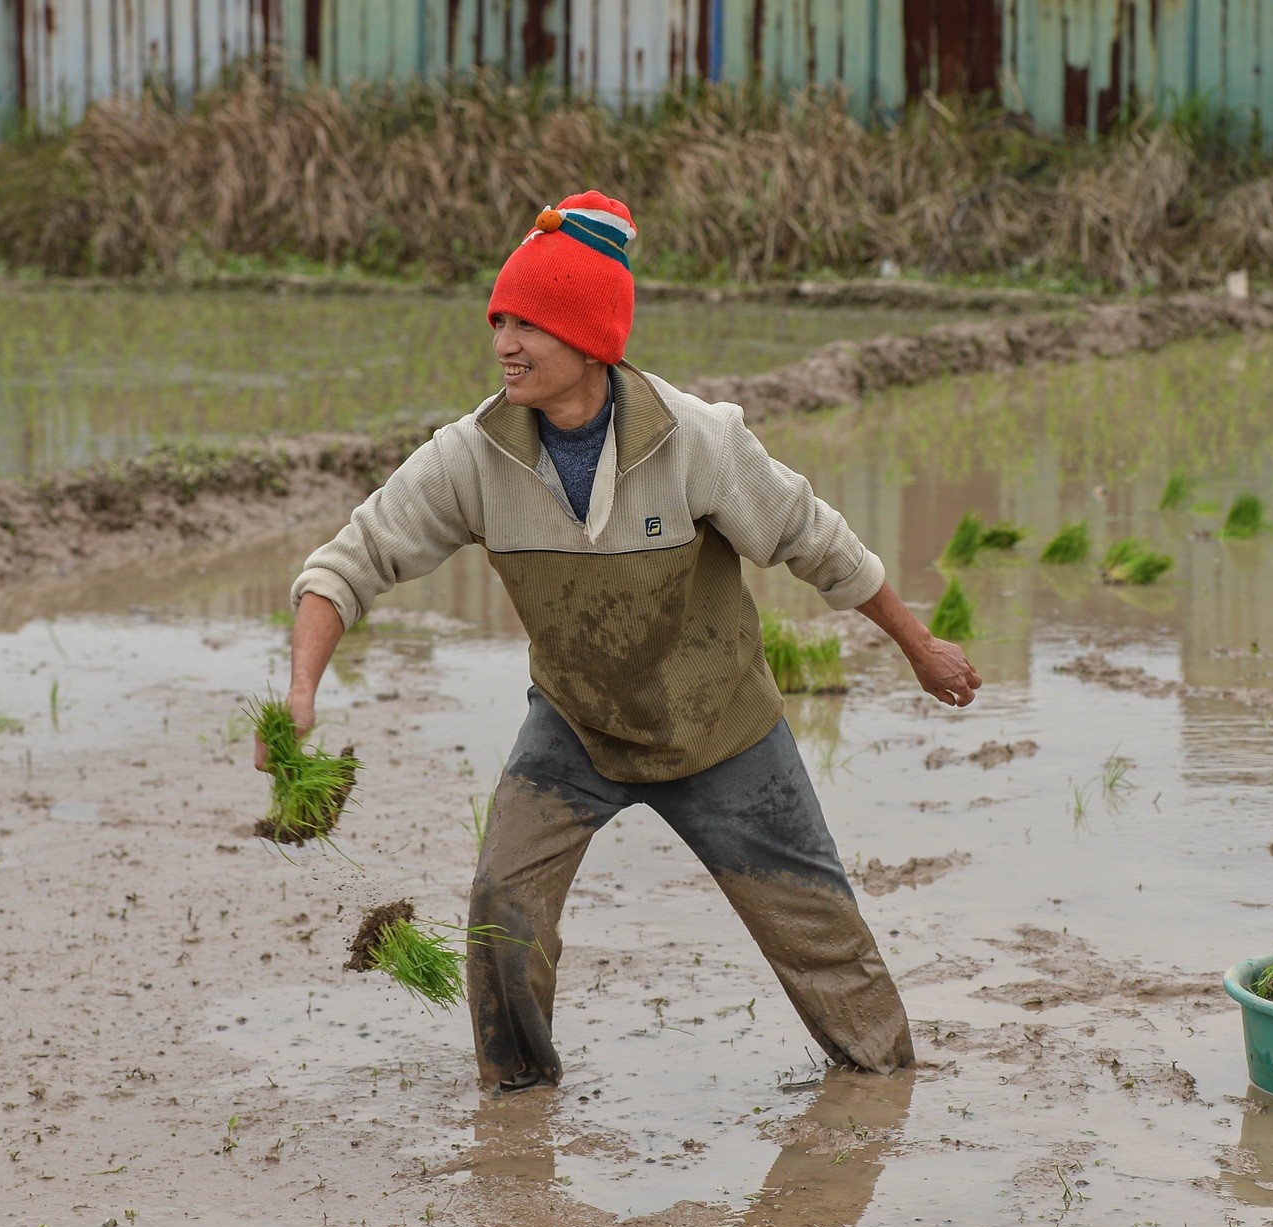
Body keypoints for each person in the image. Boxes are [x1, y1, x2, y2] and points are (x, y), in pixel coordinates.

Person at [260, 191, 980, 1092]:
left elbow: (815, 539)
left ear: (592, 338)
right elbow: (348, 562)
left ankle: (885, 1090)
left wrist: (920, 647)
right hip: (577, 727)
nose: (505, 343)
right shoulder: (472, 456)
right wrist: (301, 692)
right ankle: (518, 1106)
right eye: (502, 319)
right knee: (499, 911)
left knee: (823, 939)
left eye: (532, 323)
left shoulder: (695, 441)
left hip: (720, 728)